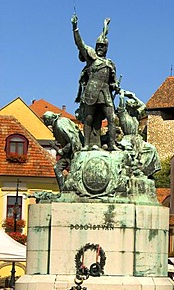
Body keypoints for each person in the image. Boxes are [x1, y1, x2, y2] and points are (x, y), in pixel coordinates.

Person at [71, 15, 120, 150]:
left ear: (106, 48)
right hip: (91, 92)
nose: (100, 48)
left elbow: (112, 82)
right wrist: (75, 28)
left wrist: (114, 86)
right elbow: (80, 44)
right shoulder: (91, 58)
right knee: (88, 119)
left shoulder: (110, 64)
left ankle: (112, 144)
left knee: (111, 118)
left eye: (102, 46)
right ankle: (86, 144)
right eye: (98, 45)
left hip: (105, 93)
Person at [116, 90, 161, 177]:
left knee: (152, 149)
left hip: (138, 139)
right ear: (128, 107)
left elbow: (143, 106)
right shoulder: (123, 115)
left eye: (135, 106)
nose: (134, 108)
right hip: (127, 140)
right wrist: (121, 95)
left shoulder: (135, 115)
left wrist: (132, 96)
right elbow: (121, 106)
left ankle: (142, 170)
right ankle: (133, 171)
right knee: (129, 154)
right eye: (132, 106)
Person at [43, 111, 82, 191]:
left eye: (45, 119)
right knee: (57, 168)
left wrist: (62, 151)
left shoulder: (59, 125)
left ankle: (73, 190)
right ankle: (63, 191)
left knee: (74, 173)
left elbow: (72, 140)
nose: (44, 121)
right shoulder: (56, 125)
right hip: (68, 153)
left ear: (49, 119)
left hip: (73, 153)